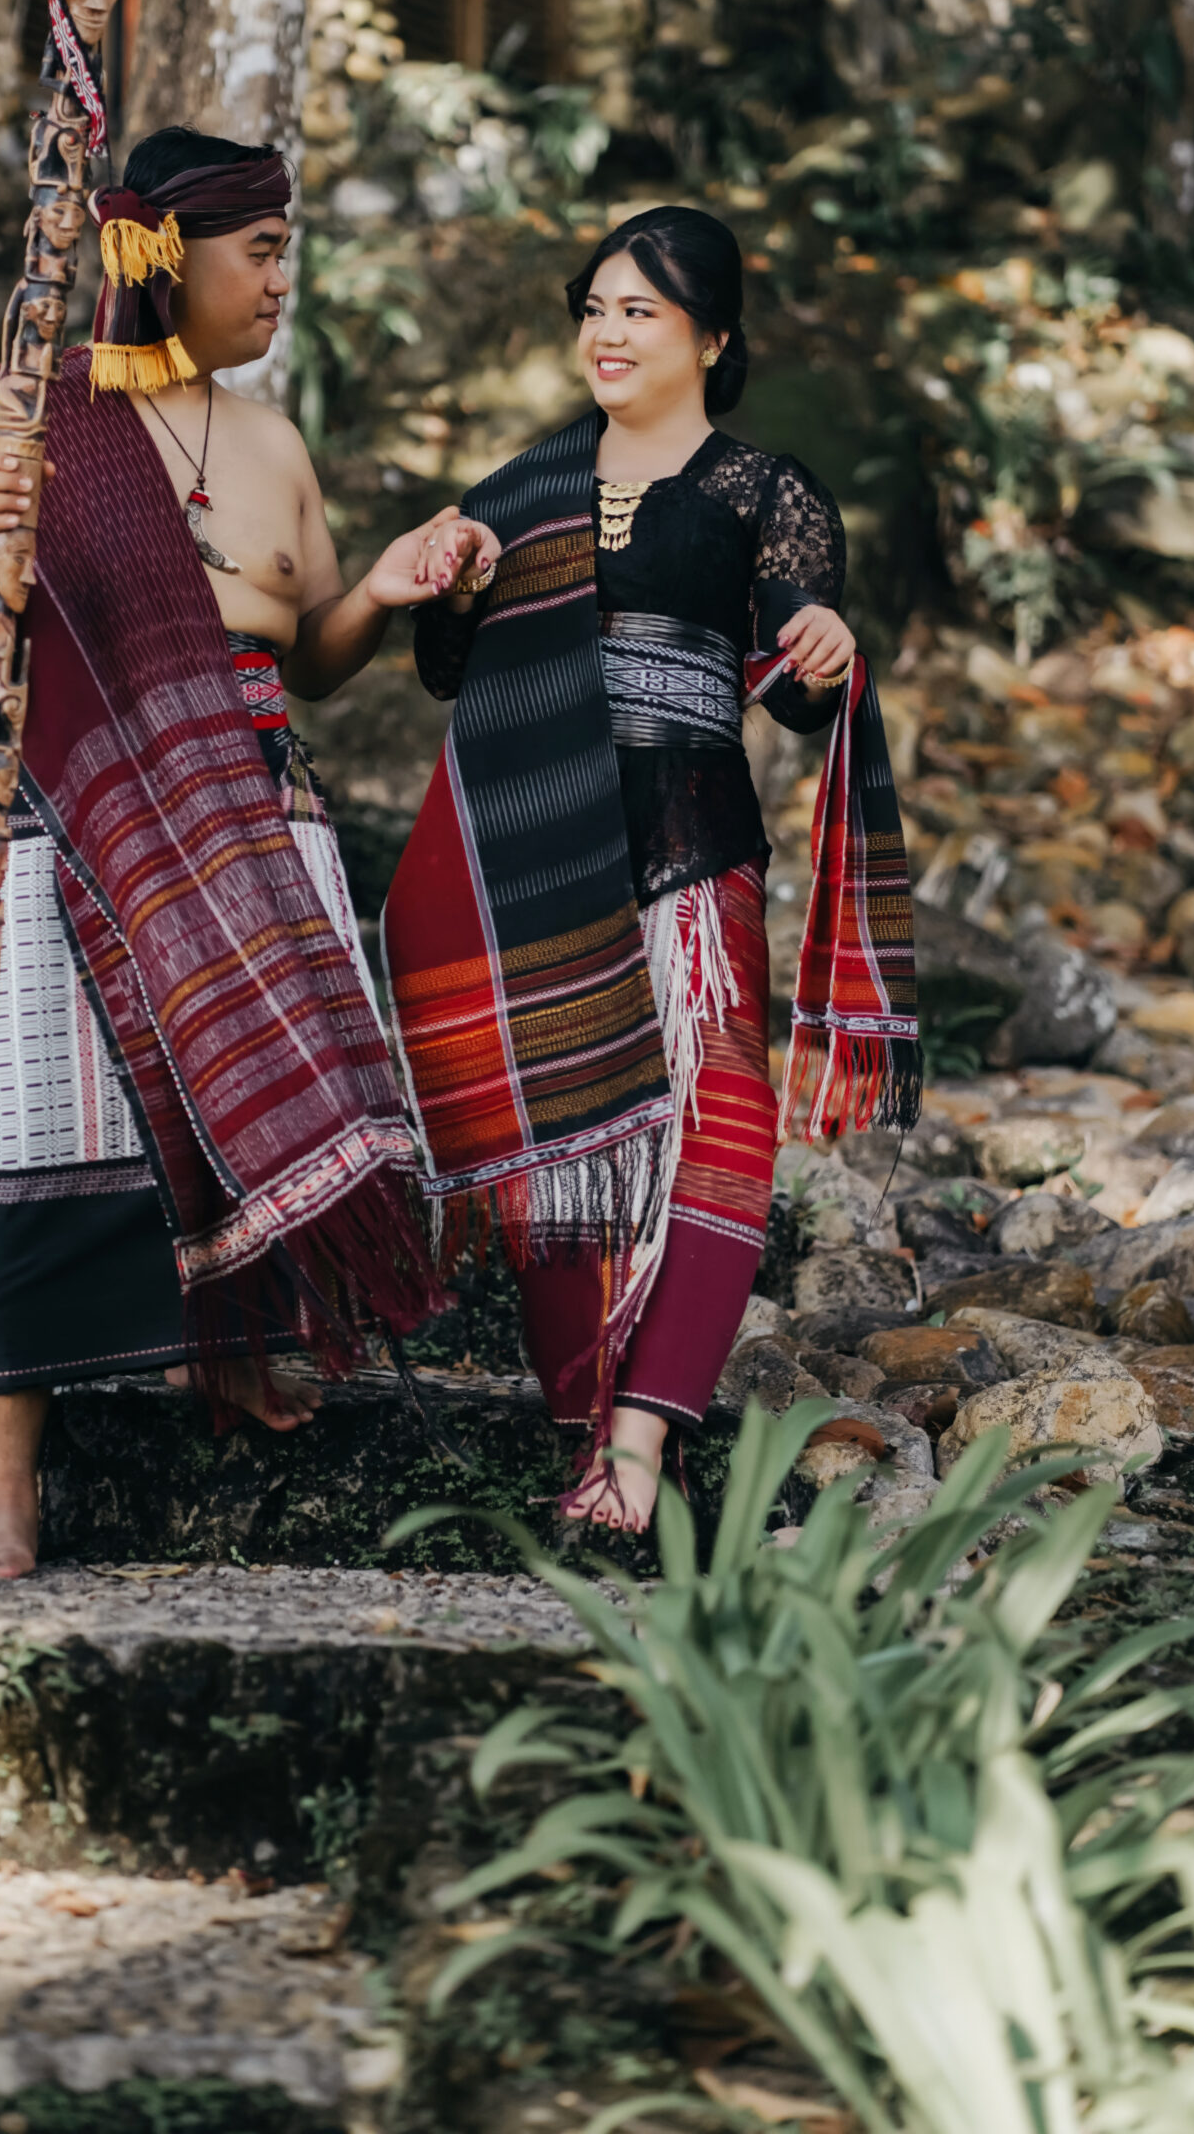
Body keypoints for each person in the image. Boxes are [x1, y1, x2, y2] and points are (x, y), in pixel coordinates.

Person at [0, 127, 497, 1579]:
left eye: (286, 252)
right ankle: (7, 1504)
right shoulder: (21, 416)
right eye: (263, 252)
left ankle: (232, 1345)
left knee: (241, 1116)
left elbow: (312, 661)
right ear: (165, 256)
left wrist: (381, 590)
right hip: (78, 837)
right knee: (34, 1138)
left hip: (259, 821)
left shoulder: (273, 444)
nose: (283, 282)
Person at [383, 206, 918, 1532]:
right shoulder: (525, 489)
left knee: (719, 1123)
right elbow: (448, 668)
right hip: (537, 855)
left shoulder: (765, 493)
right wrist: (460, 584)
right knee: (560, 1142)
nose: (606, 334)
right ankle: (588, 1438)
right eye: (595, 309)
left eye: (641, 312)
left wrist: (823, 645)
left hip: (690, 845)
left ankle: (646, 1431)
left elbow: (798, 676)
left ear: (712, 339)